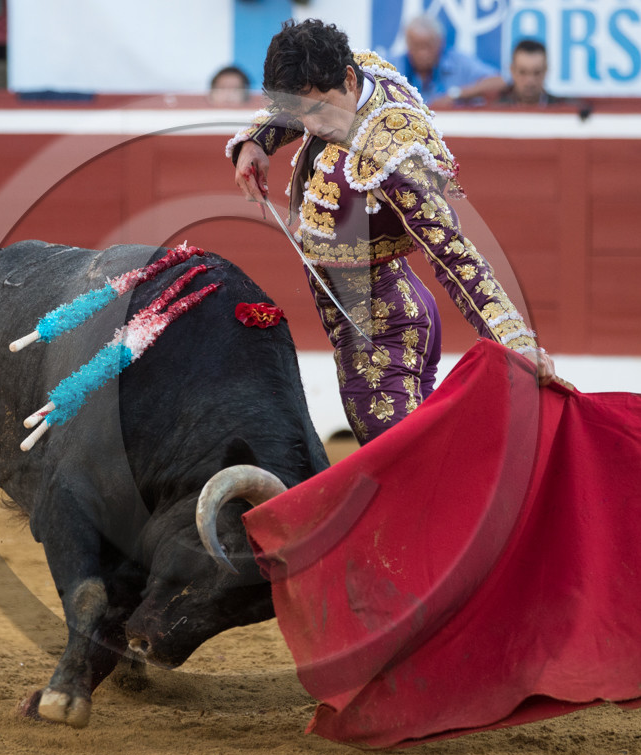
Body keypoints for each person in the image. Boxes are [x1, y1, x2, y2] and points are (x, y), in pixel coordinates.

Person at [227, 19, 555, 444]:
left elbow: (452, 252)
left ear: (348, 80)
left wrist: (516, 343)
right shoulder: (358, 70)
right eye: (301, 114)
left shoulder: (394, 154)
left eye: (318, 110)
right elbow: (299, 107)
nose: (311, 127)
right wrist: (256, 141)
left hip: (382, 329)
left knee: (400, 461)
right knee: (415, 455)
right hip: (387, 305)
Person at [397, 13, 505, 105]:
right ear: (408, 45)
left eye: (428, 46)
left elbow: (500, 82)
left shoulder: (458, 63)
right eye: (416, 46)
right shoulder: (395, 66)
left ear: (440, 43)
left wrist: (456, 95)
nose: (423, 53)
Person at [497, 40, 567, 106]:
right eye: (522, 72)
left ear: (545, 71)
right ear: (512, 71)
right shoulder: (496, 110)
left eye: (537, 73)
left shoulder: (562, 109)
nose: (530, 81)